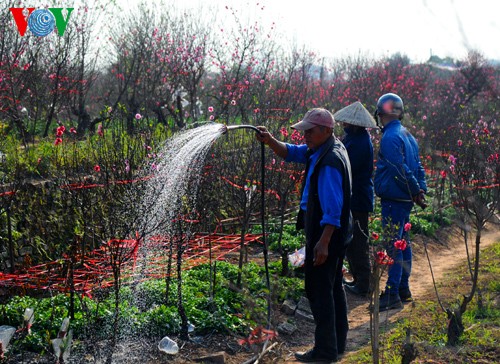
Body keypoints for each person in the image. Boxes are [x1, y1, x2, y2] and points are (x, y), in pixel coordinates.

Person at [256, 108, 352, 363]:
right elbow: (292, 152)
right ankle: (337, 343)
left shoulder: (329, 160)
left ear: (327, 130)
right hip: (336, 233)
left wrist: (323, 242)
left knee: (319, 290)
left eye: (310, 131)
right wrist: (271, 141)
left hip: (326, 233)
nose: (305, 135)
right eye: (305, 130)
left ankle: (324, 352)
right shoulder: (324, 148)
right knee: (332, 287)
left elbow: (333, 207)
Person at [373, 93, 427, 311]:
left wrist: (416, 190)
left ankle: (393, 292)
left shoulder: (389, 138)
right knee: (403, 243)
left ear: (380, 113)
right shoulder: (408, 135)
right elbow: (419, 167)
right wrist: (420, 190)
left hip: (394, 199)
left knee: (393, 246)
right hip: (404, 199)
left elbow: (398, 169)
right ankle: (403, 288)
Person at [333, 101, 376, 296]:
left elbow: (346, 166)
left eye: (347, 123)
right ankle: (359, 280)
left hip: (358, 198)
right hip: (355, 197)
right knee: (352, 241)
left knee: (358, 242)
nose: (344, 125)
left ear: (355, 124)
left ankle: (364, 283)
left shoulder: (359, 143)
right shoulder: (355, 138)